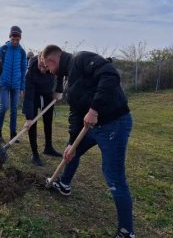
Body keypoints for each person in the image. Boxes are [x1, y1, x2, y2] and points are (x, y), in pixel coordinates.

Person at [42, 45, 135, 238]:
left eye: (48, 67)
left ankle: (127, 231)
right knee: (73, 152)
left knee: (113, 175)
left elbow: (110, 75)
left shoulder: (81, 59)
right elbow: (76, 113)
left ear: (51, 60)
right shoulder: (69, 80)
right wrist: (71, 142)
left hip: (113, 123)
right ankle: (64, 184)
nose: (50, 72)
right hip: (93, 127)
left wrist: (94, 109)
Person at [22, 55, 63, 166]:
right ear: (40, 59)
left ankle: (48, 148)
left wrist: (59, 90)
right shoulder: (30, 72)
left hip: (47, 93)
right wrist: (29, 118)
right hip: (34, 95)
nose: (43, 69)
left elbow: (60, 74)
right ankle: (35, 154)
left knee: (48, 121)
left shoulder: (54, 65)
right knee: (32, 124)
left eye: (46, 67)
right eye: (41, 66)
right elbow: (29, 96)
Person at [0, 26, 27, 143]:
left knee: (14, 109)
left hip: (16, 85)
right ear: (10, 37)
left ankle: (13, 134)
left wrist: (22, 87)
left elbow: (23, 70)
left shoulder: (22, 52)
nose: (15, 41)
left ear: (20, 39)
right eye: (13, 39)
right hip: (4, 84)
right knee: (3, 107)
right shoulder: (3, 49)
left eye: (17, 40)